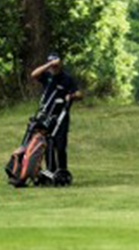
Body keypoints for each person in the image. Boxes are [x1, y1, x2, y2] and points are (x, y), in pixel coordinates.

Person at [29, 53, 83, 183]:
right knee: (47, 144)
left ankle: (62, 171)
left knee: (60, 145)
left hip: (61, 115)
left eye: (55, 63)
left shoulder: (67, 78)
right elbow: (33, 75)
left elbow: (79, 93)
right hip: (46, 115)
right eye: (50, 63)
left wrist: (72, 96)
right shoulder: (47, 76)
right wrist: (48, 65)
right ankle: (50, 171)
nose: (53, 66)